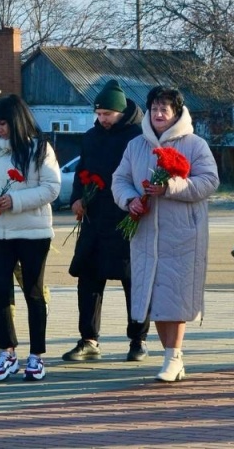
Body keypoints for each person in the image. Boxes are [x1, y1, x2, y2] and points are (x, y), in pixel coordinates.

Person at [112, 87, 219, 383]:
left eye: (165, 109)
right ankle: (170, 356)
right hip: (145, 232)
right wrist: (130, 199)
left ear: (176, 113)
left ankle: (174, 356)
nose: (159, 115)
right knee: (154, 298)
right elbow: (119, 179)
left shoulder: (195, 144)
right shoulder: (136, 146)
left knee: (175, 296)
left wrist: (171, 187)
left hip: (182, 233)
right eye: (155, 109)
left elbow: (209, 181)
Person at [61, 79, 150, 363]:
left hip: (126, 216)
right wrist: (77, 197)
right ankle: (89, 339)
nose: (102, 120)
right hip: (94, 217)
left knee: (132, 279)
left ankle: (138, 339)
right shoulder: (90, 136)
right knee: (88, 277)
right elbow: (82, 171)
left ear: (121, 112)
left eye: (107, 115)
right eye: (98, 115)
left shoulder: (138, 137)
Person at [0, 95, 60, 382]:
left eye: (4, 123)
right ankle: (7, 351)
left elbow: (52, 188)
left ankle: (37, 355)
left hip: (33, 232)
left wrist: (14, 200)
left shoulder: (39, 149)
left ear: (18, 121)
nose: (0, 129)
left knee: (33, 292)